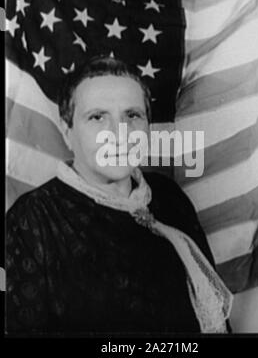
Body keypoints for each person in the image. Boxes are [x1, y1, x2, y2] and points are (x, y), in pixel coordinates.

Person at [5, 55, 232, 336]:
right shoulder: (31, 219)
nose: (119, 133)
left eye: (132, 115)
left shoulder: (169, 198)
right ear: (67, 132)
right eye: (98, 117)